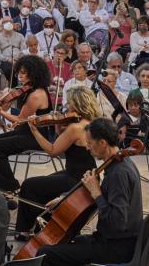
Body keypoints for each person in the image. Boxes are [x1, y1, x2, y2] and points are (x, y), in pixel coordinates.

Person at [36, 117, 143, 266]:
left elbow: (116, 222)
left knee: (46, 254)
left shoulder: (118, 173)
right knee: (68, 245)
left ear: (103, 143)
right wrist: (67, 199)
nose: (87, 148)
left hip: (118, 246)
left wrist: (95, 192)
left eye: (90, 144)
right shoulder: (119, 164)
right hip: (119, 241)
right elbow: (107, 204)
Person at [15, 85, 98, 239]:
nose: (66, 106)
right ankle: (42, 224)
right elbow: (64, 141)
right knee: (45, 182)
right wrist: (59, 126)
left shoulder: (76, 127)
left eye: (69, 103)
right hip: (85, 174)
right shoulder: (91, 122)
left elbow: (53, 151)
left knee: (29, 185)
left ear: (77, 103)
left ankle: (26, 230)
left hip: (75, 178)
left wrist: (34, 131)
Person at [0, 54, 53, 192]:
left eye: (23, 73)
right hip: (25, 132)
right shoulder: (29, 89)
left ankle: (10, 187)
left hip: (36, 137)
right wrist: (2, 100)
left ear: (34, 74)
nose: (19, 76)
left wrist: (0, 112)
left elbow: (20, 120)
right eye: (19, 73)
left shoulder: (36, 95)